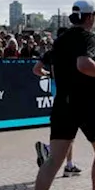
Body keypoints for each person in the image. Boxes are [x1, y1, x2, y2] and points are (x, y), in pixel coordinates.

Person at [19, 0, 95, 190]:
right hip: (87, 103)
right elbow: (84, 64)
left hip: (62, 104)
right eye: (93, 15)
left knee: (54, 160)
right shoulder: (87, 38)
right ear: (89, 17)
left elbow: (38, 67)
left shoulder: (59, 41)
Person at [32, 29, 81, 176]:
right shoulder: (70, 52)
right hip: (67, 91)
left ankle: (69, 164)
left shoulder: (51, 52)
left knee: (68, 127)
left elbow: (36, 69)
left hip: (56, 89)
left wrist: (48, 74)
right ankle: (49, 150)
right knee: (68, 128)